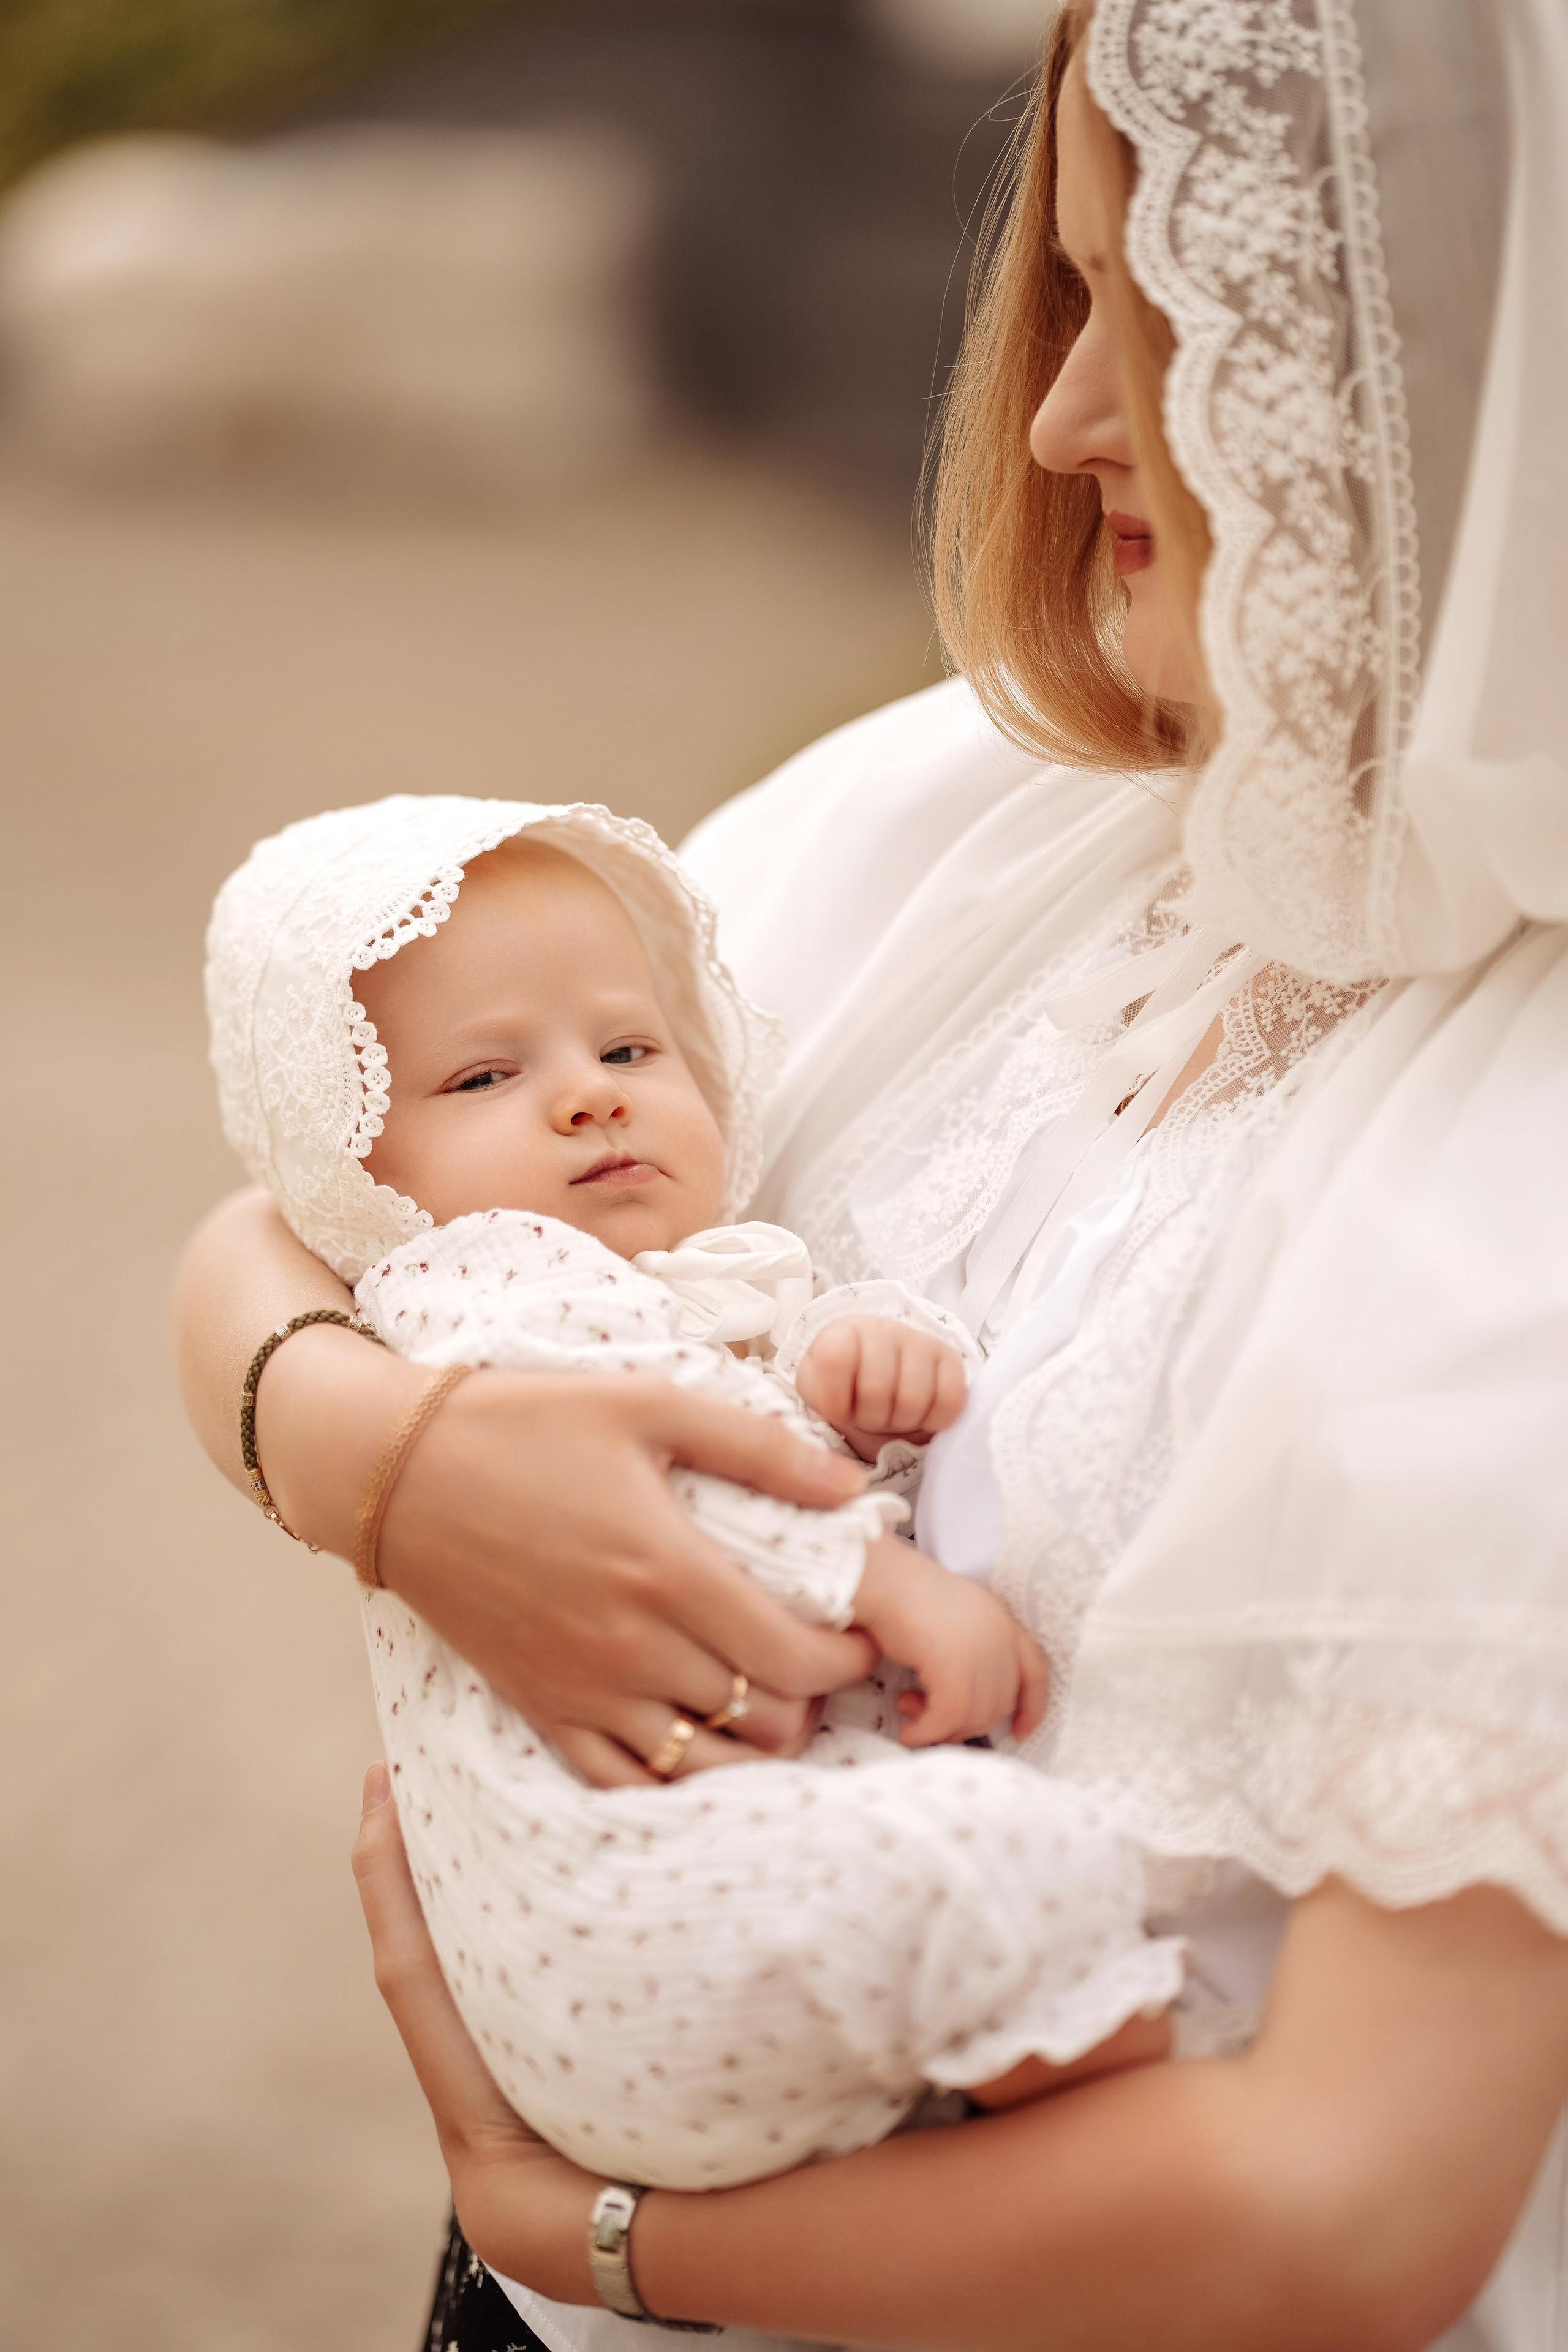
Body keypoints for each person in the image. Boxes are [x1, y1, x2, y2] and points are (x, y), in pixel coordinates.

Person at [176, 0, 1568, 2344]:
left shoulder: (1510, 1179)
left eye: (1178, 319)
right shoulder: (985, 812)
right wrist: (376, 1452)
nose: (1056, 414)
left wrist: (595, 2236)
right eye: (1070, 297)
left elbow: (1342, 2209)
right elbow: (327, 1170)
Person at [204, 792, 1182, 2191]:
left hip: (677, 1932)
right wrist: (885, 1580)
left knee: (986, 1883)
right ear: (354, 1173)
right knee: (1014, 1870)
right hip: (638, 1916)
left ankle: (1023, 2156)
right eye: (482, 1079)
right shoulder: (464, 1285)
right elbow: (681, 1492)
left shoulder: (701, 1286)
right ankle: (1105, 2173)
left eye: (626, 1046)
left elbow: (756, 1412)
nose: (588, 1093)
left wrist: (862, 1365)